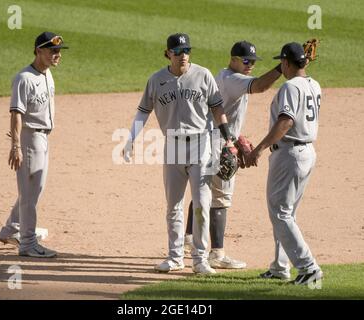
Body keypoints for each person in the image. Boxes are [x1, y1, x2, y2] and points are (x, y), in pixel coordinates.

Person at [123, 33, 235, 274]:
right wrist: (131, 137)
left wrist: (228, 140)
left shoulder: (203, 75)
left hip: (201, 145)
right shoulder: (156, 80)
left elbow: (217, 109)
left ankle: (200, 259)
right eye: (178, 51)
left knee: (202, 205)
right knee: (173, 206)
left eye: (186, 51)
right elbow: (144, 111)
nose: (183, 55)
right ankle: (175, 257)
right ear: (168, 53)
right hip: (172, 145)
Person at [184, 41, 282, 269]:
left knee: (204, 190)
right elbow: (259, 86)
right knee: (221, 198)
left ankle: (188, 238)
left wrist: (237, 137)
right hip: (220, 144)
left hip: (210, 138)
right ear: (234, 58)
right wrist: (281, 68)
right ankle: (217, 253)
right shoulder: (234, 80)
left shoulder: (223, 75)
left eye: (254, 62)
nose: (250, 66)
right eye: (246, 61)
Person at [246, 42, 323, 285]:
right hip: (306, 152)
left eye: (282, 62)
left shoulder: (290, 87)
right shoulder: (314, 84)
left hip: (290, 154)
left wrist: (258, 149)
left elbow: (286, 122)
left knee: (280, 213)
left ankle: (308, 268)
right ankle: (280, 266)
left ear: (286, 63)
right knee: (286, 212)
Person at [0, 31, 68, 258]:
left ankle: (12, 228)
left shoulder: (47, 75)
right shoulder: (24, 78)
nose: (57, 55)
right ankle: (27, 243)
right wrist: (16, 146)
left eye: (58, 51)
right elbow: (16, 113)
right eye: (52, 51)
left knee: (34, 190)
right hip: (29, 139)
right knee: (30, 193)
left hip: (43, 138)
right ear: (38, 50)